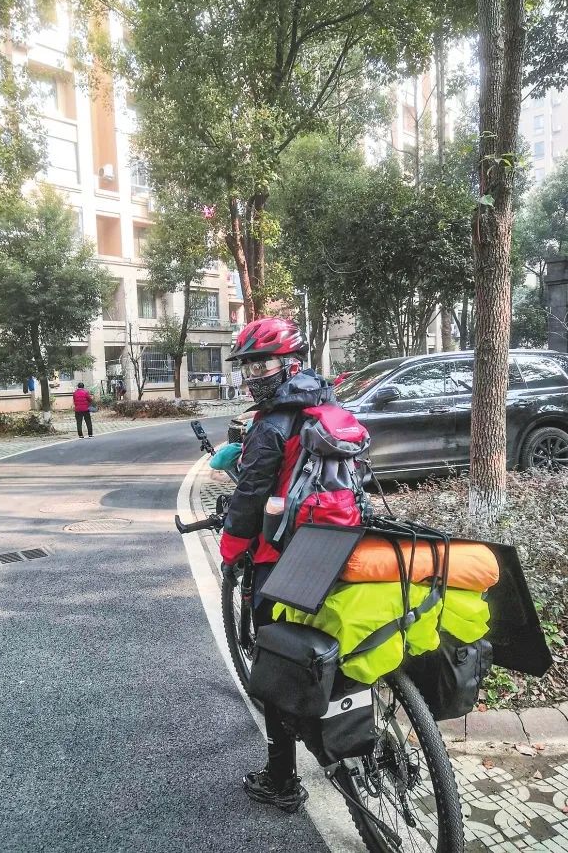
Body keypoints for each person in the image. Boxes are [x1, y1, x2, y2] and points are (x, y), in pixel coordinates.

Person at [220, 317, 335, 814]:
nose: (253, 374)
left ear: (290, 361)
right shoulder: (324, 403)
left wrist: (229, 546)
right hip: (331, 544)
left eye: (262, 362)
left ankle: (281, 779)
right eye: (248, 365)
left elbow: (249, 498)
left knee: (274, 662)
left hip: (279, 554)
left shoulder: (270, 424)